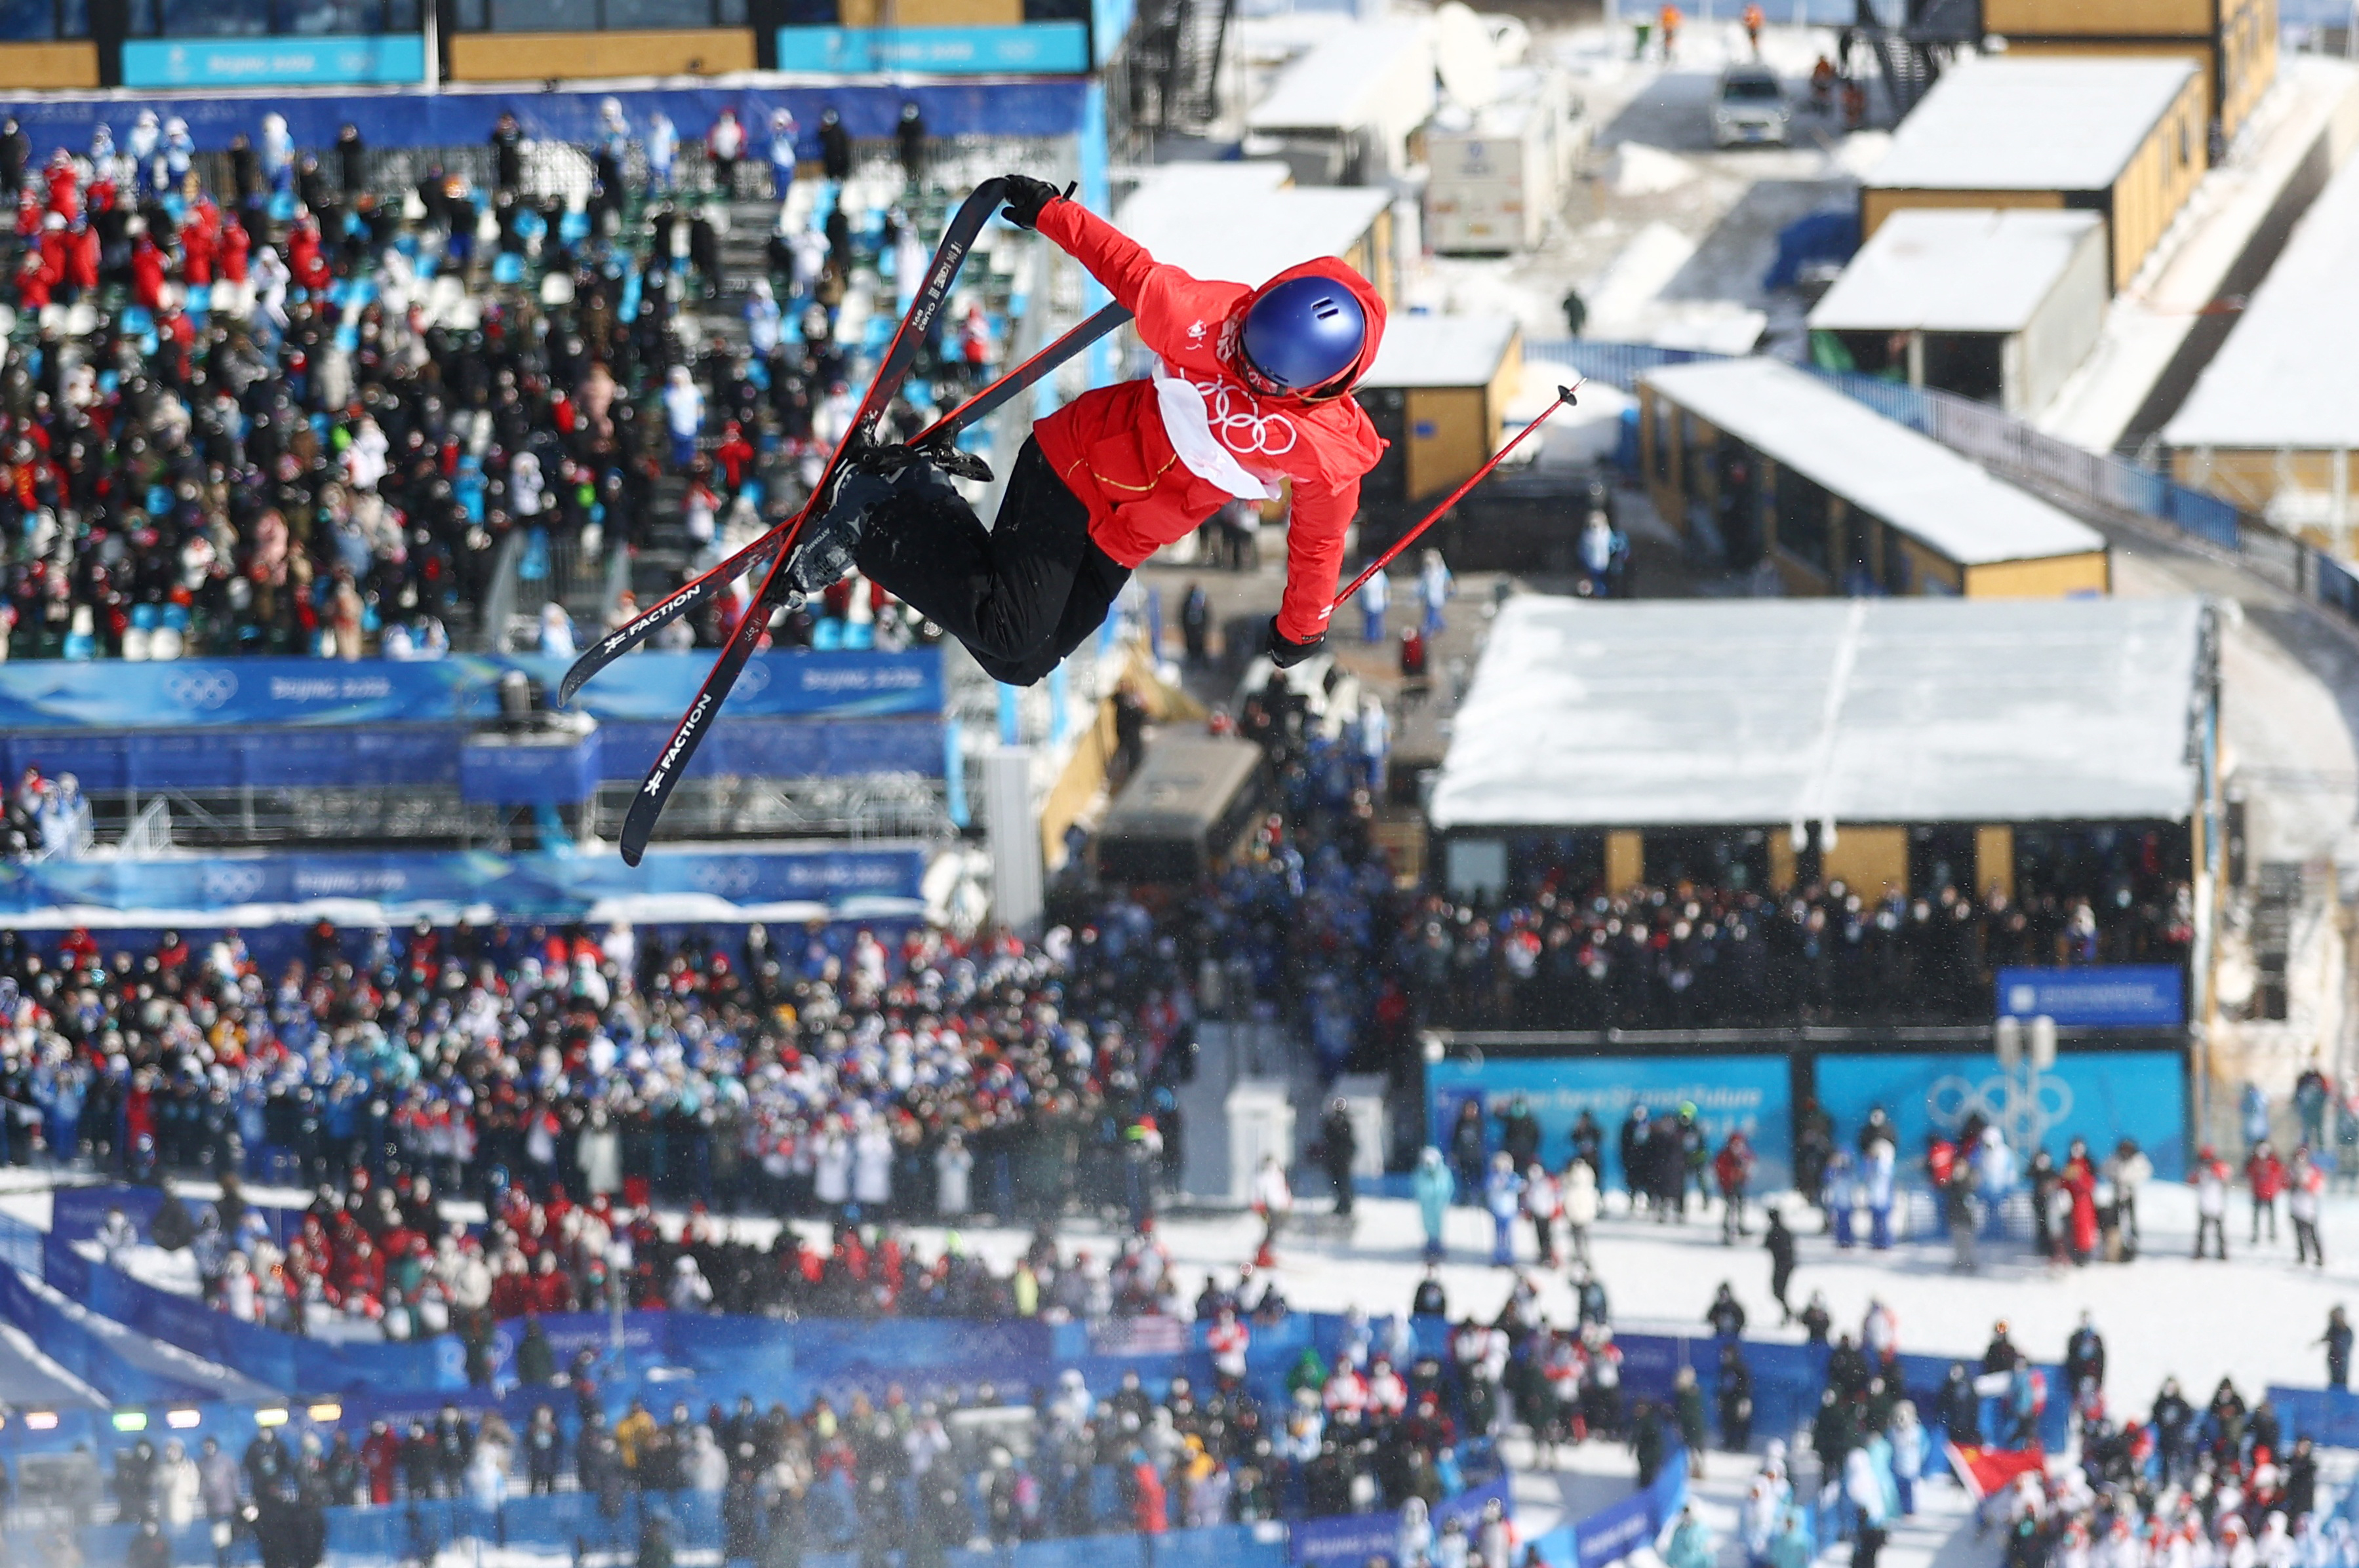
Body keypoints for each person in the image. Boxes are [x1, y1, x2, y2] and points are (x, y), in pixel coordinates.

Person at [791, 175, 1386, 688]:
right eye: (1245, 352)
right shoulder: (1205, 319)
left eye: (1262, 377)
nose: (1241, 370)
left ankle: (918, 495)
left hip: (1128, 535)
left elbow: (1318, 543)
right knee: (1010, 628)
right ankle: (872, 520)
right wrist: (1051, 211)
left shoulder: (1328, 453)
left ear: (1313, 389)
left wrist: (1303, 625)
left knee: (1021, 665)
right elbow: (1133, 270)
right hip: (1075, 466)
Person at [1413, 1146, 1455, 1261]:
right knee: (1427, 1223)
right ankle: (1430, 1243)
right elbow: (1419, 1187)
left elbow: (1448, 1187)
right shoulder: (1421, 1174)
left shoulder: (1444, 1173)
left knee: (1438, 1223)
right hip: (1427, 1205)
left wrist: (1442, 1197)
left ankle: (1438, 1244)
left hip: (1439, 1204)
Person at [1320, 1098, 1358, 1218]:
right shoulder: (1331, 1122)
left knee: (1343, 1182)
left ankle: (1346, 1205)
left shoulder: (1345, 1123)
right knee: (1337, 1182)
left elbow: (1348, 1141)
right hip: (1335, 1158)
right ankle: (1342, 1204)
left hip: (1342, 1159)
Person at [2190, 1145, 2229, 1259]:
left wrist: (2214, 1169)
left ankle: (2222, 1252)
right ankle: (2200, 1251)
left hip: (2217, 1203)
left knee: (2219, 1231)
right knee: (2202, 1231)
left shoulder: (2219, 1166)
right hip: (2204, 1202)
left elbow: (2224, 1175)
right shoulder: (2199, 1169)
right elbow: (2192, 1180)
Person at [2290, 1146, 2327, 1266]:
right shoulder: (2292, 1170)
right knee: (2299, 1234)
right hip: (2296, 1206)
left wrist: (2307, 1185)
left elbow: (2319, 1188)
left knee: (2312, 1234)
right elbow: (2285, 1184)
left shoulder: (2313, 1171)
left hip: (2309, 1208)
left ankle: (2319, 1256)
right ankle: (2302, 1255)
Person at [2246, 1139, 2285, 1244]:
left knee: (2271, 1215)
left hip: (2270, 1192)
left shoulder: (2274, 1161)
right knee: (2257, 1215)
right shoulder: (2254, 1161)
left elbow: (2279, 1172)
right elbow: (2249, 1172)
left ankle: (2272, 1233)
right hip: (2258, 1192)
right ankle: (2256, 1234)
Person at [1764, 1205, 1796, 1321]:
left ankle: (1789, 1313)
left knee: (1778, 1291)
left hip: (1781, 1266)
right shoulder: (1785, 1232)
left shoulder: (1775, 1232)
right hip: (1785, 1265)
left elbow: (1767, 1245)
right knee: (1779, 1292)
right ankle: (1788, 1313)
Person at [2322, 1306, 2352, 1389]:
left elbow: (2348, 1343)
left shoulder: (2346, 1330)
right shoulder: (2333, 1329)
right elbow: (2327, 1338)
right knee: (2334, 1379)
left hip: (2342, 1358)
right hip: (2334, 1357)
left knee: (2342, 1380)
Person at [1358, 569, 1389, 642]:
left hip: (1376, 603)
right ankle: (1371, 637)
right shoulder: (1379, 575)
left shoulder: (1380, 576)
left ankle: (1375, 637)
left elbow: (1386, 588)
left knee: (1374, 621)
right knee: (1371, 621)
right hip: (1371, 603)